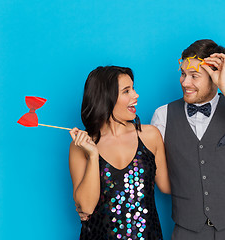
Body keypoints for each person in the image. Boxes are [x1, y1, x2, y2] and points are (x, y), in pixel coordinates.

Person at [151, 39, 225, 240]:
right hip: (187, 231)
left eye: (194, 76)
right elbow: (149, 169)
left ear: (213, 77)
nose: (185, 82)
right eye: (183, 74)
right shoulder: (162, 116)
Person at [69, 66, 170, 240]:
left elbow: (168, 186)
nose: (136, 95)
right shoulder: (80, 145)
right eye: (126, 91)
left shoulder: (150, 135)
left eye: (133, 88)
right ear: (106, 98)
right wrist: (93, 155)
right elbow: (86, 207)